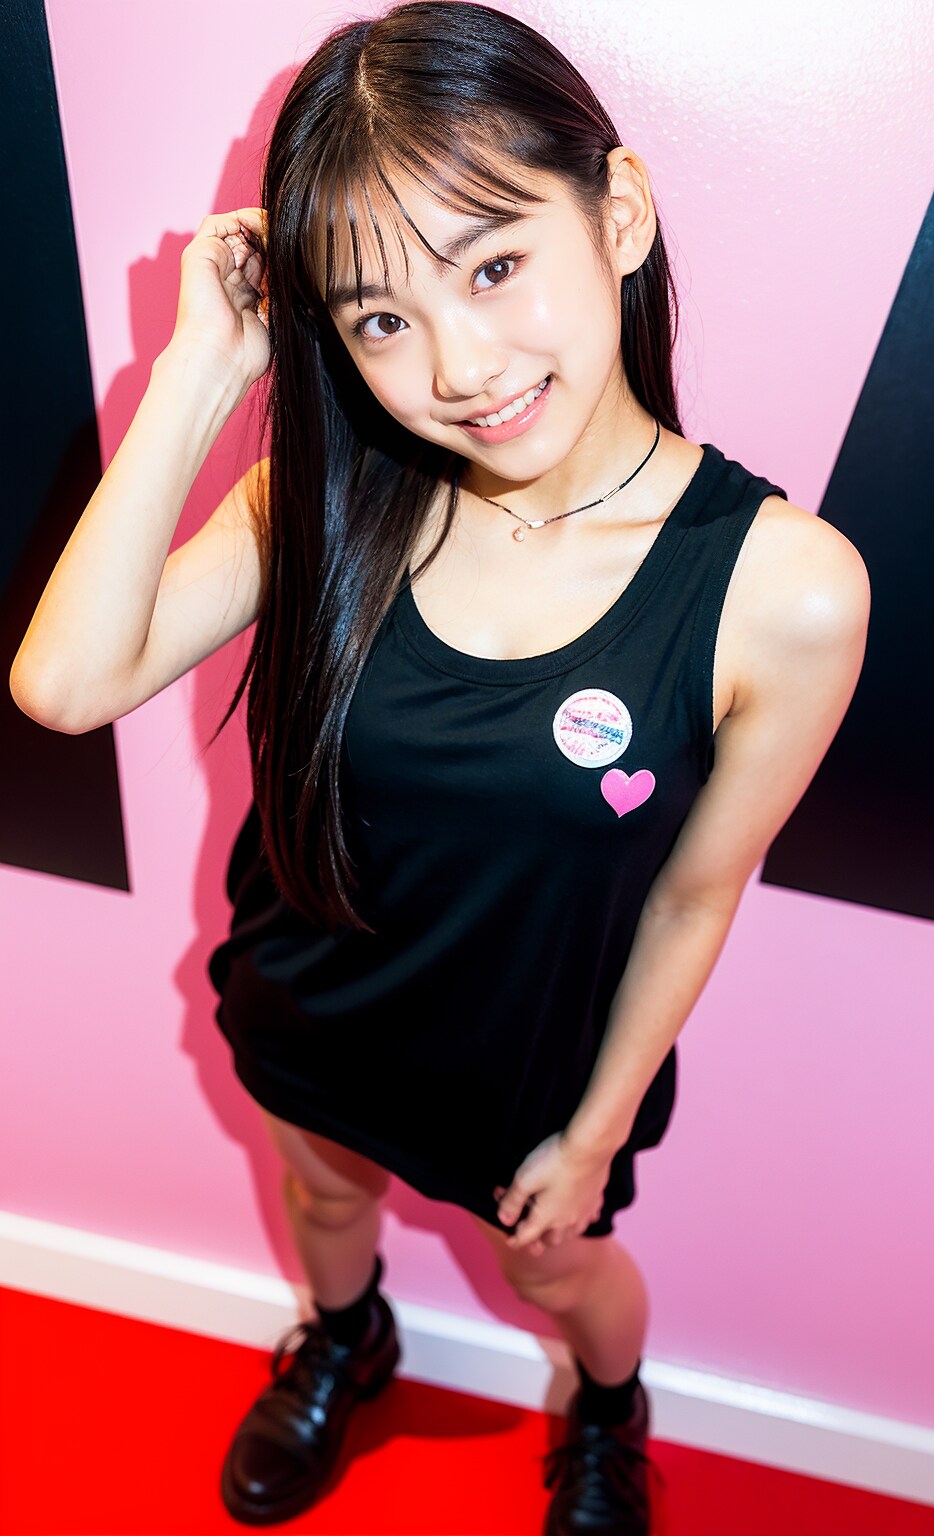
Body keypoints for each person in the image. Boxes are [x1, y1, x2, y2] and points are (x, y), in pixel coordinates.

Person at [10, 2, 871, 1530]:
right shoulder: (323, 499)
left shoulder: (784, 589)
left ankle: (606, 1413)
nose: (459, 368)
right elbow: (66, 686)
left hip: (533, 1070)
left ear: (616, 213)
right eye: (378, 319)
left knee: (567, 1282)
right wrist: (203, 366)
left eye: (491, 266)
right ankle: (347, 1337)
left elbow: (696, 891)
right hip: (315, 1013)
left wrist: (592, 1133)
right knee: (325, 1193)